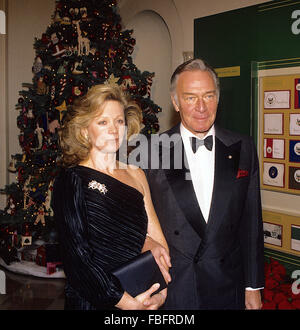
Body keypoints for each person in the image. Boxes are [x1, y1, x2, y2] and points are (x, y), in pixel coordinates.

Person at [139, 58, 265, 310]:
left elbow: (251, 220)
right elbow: (137, 222)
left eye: (208, 96)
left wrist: (252, 286)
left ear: (218, 99)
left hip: (227, 285)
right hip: (174, 289)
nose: (201, 107)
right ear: (175, 102)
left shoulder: (243, 147)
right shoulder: (150, 151)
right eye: (190, 98)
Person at [52, 84, 171, 310]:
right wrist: (127, 304)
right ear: (85, 131)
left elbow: (159, 243)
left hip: (143, 295)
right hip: (94, 301)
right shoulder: (72, 180)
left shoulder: (136, 174)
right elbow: (78, 261)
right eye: (103, 122)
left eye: (119, 121)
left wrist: (160, 294)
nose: (114, 129)